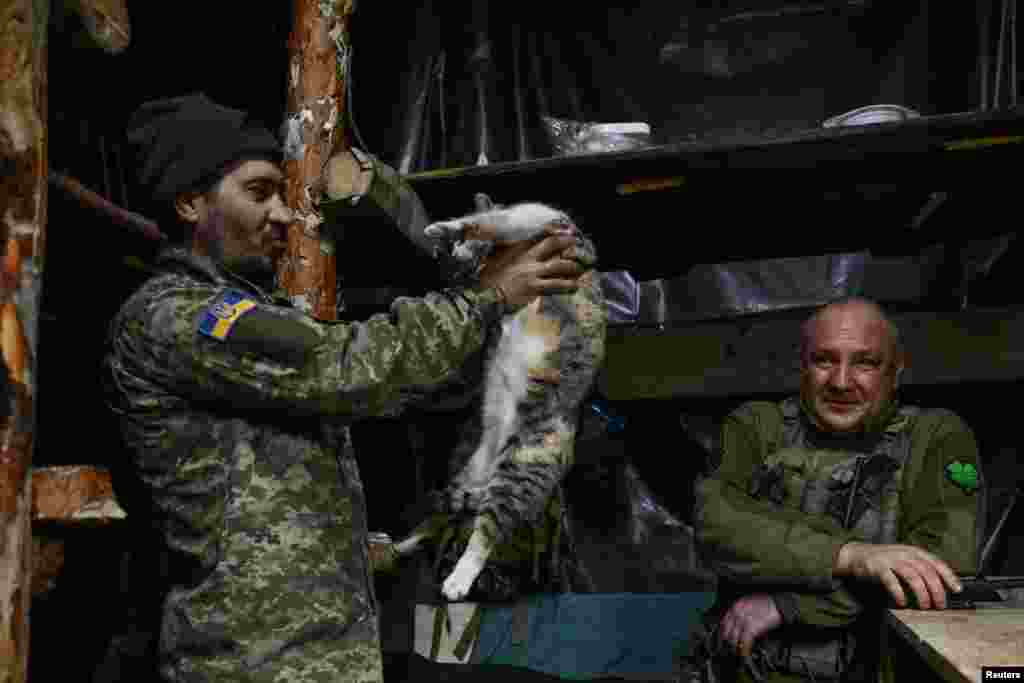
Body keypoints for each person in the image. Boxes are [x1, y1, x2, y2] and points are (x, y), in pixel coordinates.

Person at [102, 93, 587, 683]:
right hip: (253, 662)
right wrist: (481, 295)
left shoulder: (249, 317)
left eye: (283, 194)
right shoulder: (177, 319)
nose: (282, 214)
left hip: (314, 655)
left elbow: (408, 385)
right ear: (187, 202)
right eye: (258, 193)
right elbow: (347, 366)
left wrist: (485, 295)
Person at [691, 297, 984, 683]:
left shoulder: (936, 436)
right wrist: (850, 556)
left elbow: (944, 565)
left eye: (865, 362)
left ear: (895, 373)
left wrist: (792, 605)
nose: (841, 382)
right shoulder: (756, 427)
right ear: (802, 367)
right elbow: (717, 527)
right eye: (824, 360)